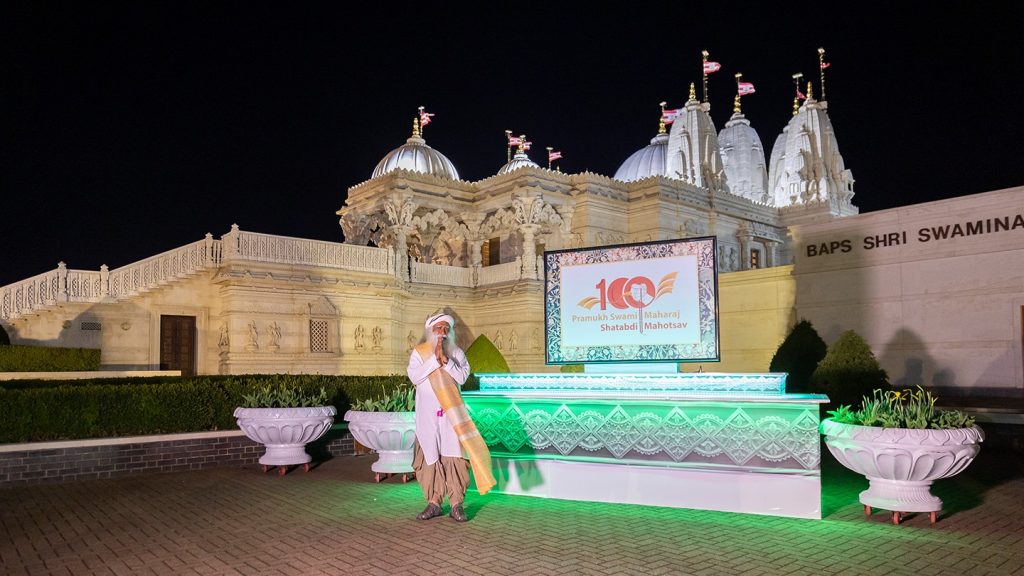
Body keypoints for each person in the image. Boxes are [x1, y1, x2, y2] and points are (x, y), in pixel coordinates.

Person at [407, 311, 472, 522]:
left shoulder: (457, 353)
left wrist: (447, 362)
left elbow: (462, 377)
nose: (442, 333)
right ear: (430, 330)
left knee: (454, 456)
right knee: (429, 454)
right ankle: (434, 502)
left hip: (451, 415)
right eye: (438, 328)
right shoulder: (419, 352)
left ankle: (456, 504)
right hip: (427, 415)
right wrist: (434, 360)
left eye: (446, 329)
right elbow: (415, 376)